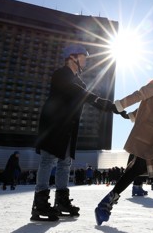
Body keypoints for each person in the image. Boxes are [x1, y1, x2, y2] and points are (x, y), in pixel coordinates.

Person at [95, 57, 153, 225]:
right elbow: (141, 94)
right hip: (152, 135)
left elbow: (149, 105)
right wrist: (120, 105)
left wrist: (132, 115)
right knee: (138, 169)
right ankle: (105, 204)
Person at [31, 44, 117, 221]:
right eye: (83, 56)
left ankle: (61, 201)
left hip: (69, 127)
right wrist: (100, 101)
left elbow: (81, 94)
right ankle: (39, 204)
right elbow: (76, 92)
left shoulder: (80, 81)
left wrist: (108, 106)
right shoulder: (60, 74)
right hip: (54, 124)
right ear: (72, 57)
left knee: (65, 162)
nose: (86, 60)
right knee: (48, 160)